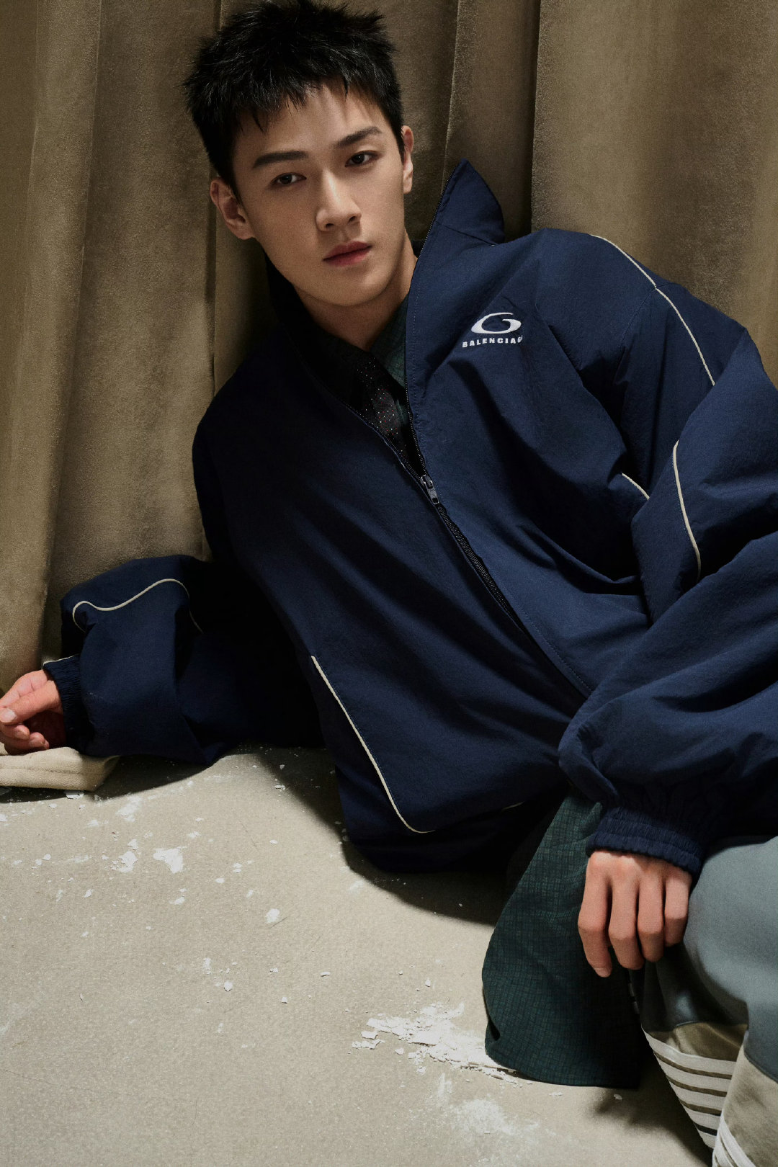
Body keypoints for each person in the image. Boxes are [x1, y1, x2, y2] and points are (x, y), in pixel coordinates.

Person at [1, 1, 775, 1152]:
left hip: (721, 720)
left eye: (358, 158)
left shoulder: (567, 292)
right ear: (232, 208)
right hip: (553, 817)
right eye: (285, 178)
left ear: (405, 156)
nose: (334, 206)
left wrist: (663, 781)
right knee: (745, 927)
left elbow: (751, 522)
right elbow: (302, 661)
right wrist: (97, 687)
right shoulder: (248, 447)